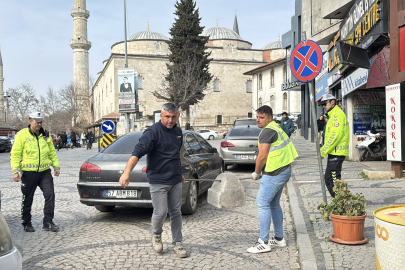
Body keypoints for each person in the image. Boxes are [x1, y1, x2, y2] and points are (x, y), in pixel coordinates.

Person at [119, 103, 187, 258]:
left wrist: (179, 173)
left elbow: (176, 154)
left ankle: (178, 242)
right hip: (158, 180)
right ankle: (156, 235)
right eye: (167, 117)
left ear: (177, 116)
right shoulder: (152, 132)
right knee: (161, 212)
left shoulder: (178, 131)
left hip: (175, 179)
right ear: (161, 116)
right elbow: (137, 152)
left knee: (176, 212)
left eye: (173, 117)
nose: (170, 120)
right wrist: (126, 173)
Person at [247, 105, 298, 254]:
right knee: (274, 204)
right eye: (257, 117)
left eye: (261, 117)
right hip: (284, 169)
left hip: (275, 173)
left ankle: (263, 242)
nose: (258, 120)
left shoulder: (267, 132)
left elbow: (262, 156)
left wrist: (256, 173)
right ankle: (279, 238)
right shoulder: (276, 128)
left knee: (262, 203)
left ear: (270, 117)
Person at [10, 112, 60, 232]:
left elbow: (52, 152)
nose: (39, 123)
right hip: (28, 173)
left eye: (41, 121)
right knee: (28, 198)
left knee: (50, 195)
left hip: (44, 172)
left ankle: (48, 222)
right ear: (30, 121)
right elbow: (15, 154)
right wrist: (15, 171)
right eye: (37, 121)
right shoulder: (22, 135)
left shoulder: (45, 135)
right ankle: (26, 222)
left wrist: (56, 166)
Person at [320, 94, 350, 198]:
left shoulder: (337, 115)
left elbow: (334, 136)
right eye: (322, 105)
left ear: (333, 102)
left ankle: (341, 203)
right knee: (329, 179)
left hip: (337, 153)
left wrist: (323, 151)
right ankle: (340, 202)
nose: (323, 106)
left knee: (333, 181)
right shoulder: (333, 115)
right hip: (334, 152)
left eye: (325, 104)